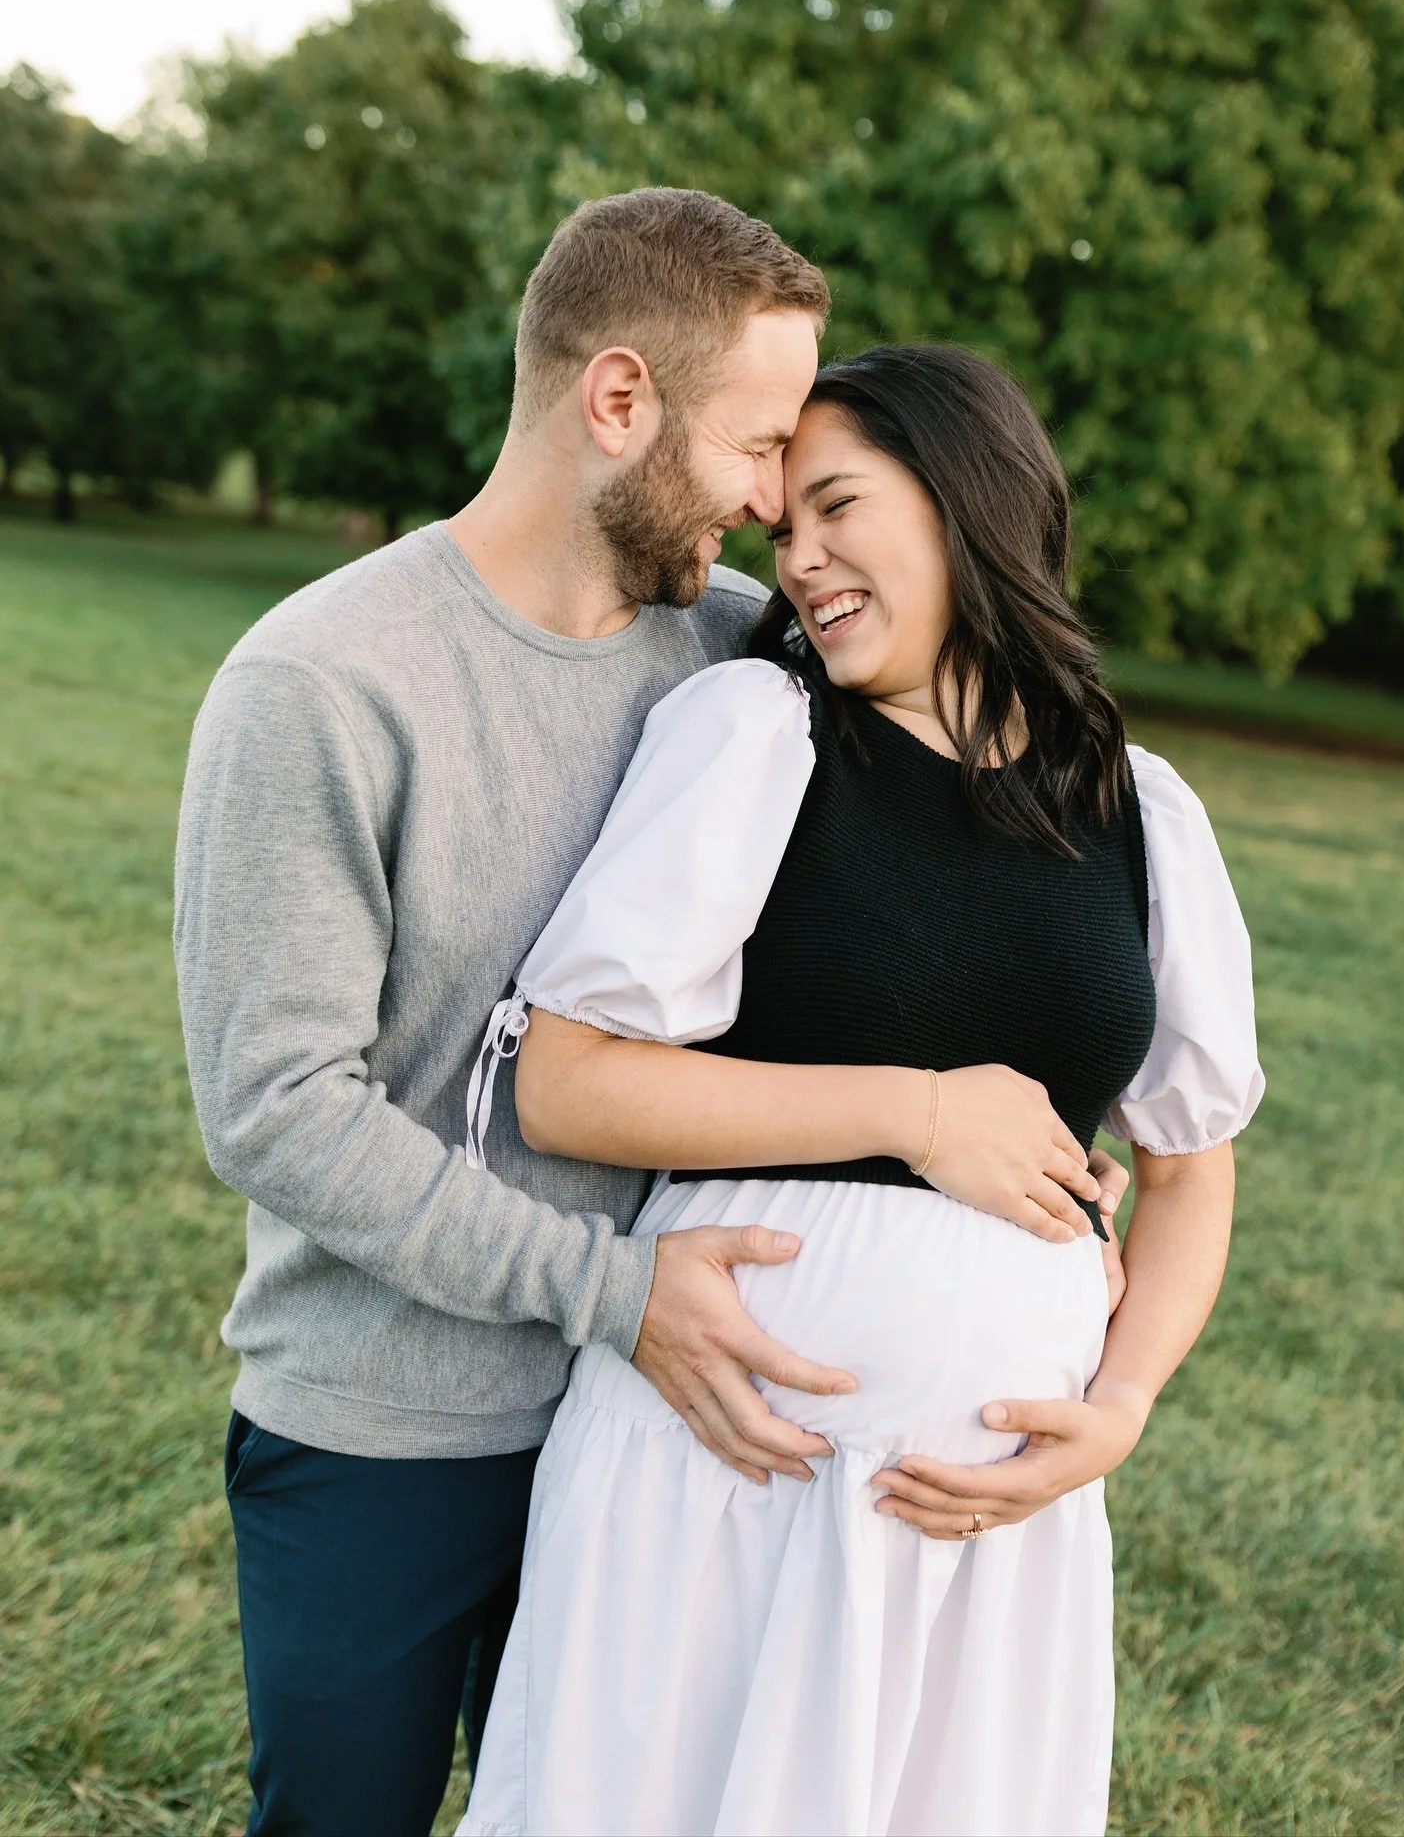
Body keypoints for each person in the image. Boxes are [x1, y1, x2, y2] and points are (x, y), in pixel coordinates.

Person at [174, 194, 1113, 1836]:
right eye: (759, 450)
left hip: (670, 1442)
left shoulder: (744, 658)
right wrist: (612, 1293)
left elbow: (961, 774)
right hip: (386, 1432)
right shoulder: (320, 685)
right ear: (619, 404)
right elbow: (278, 1110)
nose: (775, 515)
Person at [458, 344, 1265, 1837]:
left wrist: (1125, 1403)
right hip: (728, 1476)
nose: (802, 556)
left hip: (986, 1534)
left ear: (967, 505)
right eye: (782, 532)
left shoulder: (1141, 812)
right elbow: (564, 1082)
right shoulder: (760, 738)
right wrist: (914, 1110)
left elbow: (1193, 1169)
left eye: (837, 507)